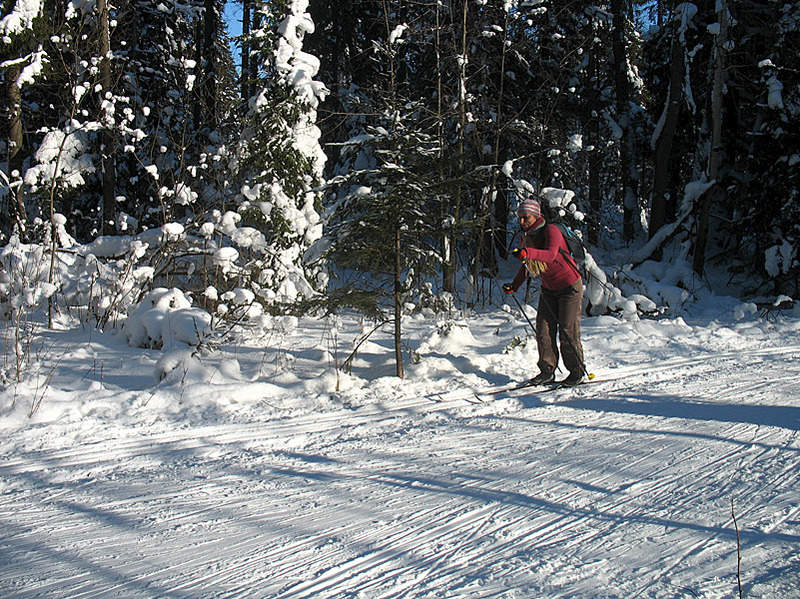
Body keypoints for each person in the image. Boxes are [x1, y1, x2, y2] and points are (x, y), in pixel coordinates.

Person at [502, 196, 586, 386]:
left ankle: (576, 371)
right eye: (520, 217)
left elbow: (550, 255)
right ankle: (547, 371)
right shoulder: (527, 237)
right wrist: (514, 285)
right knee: (544, 330)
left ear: (536, 216)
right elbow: (528, 266)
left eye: (526, 217)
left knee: (567, 330)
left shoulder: (552, 230)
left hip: (569, 286)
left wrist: (527, 253)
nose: (522, 221)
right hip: (549, 289)